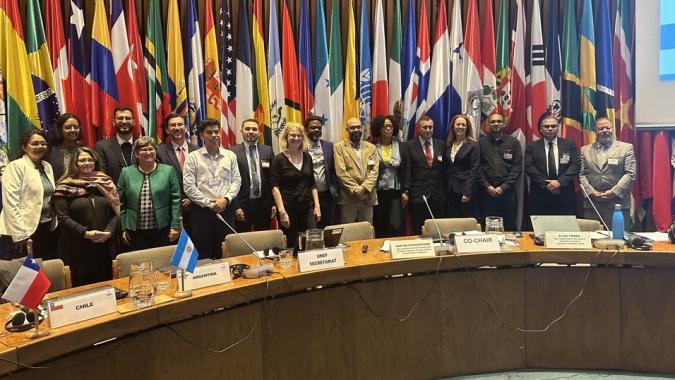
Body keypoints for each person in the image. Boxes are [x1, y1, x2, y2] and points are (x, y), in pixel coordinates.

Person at [53, 147, 120, 286]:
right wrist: (85, 233)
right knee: (82, 287)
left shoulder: (105, 183)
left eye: (90, 160)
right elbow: (63, 217)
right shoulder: (65, 186)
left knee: (108, 285)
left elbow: (116, 211)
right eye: (82, 160)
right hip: (77, 246)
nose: (87, 163)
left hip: (105, 244)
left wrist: (109, 231)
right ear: (75, 163)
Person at [184, 119, 242, 259]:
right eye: (209, 132)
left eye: (216, 132)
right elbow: (189, 186)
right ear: (201, 135)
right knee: (203, 252)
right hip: (202, 212)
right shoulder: (193, 157)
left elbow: (237, 180)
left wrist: (225, 199)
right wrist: (210, 204)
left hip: (225, 209)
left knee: (227, 250)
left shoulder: (230, 155)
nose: (214, 135)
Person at [0, 129, 58, 259]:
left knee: (44, 271)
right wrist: (20, 234)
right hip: (23, 231)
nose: (40, 147)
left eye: (43, 143)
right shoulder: (15, 166)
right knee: (26, 275)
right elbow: (10, 203)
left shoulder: (46, 166)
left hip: (45, 226)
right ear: (24, 147)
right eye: (35, 143)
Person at [117, 137, 181, 251]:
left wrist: (175, 226)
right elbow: (120, 203)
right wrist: (122, 228)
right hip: (135, 231)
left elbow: (176, 200)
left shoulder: (168, 171)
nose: (148, 152)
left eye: (151, 149)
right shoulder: (126, 172)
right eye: (144, 149)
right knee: (140, 265)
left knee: (162, 264)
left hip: (162, 228)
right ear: (136, 154)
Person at [270, 123, 320, 249]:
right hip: (288, 210)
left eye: (299, 135)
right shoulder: (278, 159)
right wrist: (282, 212)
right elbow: (274, 187)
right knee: (294, 246)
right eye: (292, 135)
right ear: (286, 137)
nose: (296, 138)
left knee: (312, 242)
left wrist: (317, 206)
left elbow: (312, 184)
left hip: (307, 209)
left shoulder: (307, 157)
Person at [579, 117, 636, 228]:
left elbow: (630, 174)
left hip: (618, 203)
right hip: (593, 204)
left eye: (608, 128)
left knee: (618, 239)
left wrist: (613, 192)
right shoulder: (584, 150)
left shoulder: (626, 148)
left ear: (612, 129)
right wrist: (591, 192)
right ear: (595, 131)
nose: (605, 130)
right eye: (601, 128)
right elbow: (582, 174)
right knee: (593, 239)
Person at [525, 113, 580, 216]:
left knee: (563, 228)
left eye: (553, 126)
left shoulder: (569, 144)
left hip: (564, 192)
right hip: (540, 193)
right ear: (540, 129)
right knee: (542, 228)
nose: (550, 128)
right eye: (546, 126)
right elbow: (529, 167)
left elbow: (575, 165)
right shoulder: (532, 146)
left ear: (558, 128)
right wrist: (547, 184)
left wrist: (559, 182)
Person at [478, 113, 522, 231]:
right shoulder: (480, 143)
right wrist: (487, 186)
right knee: (487, 227)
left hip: (507, 192)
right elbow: (477, 167)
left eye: (498, 121)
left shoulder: (513, 142)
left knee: (509, 225)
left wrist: (503, 187)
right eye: (492, 121)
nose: (496, 123)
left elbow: (517, 168)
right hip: (487, 192)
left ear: (504, 124)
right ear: (488, 124)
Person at [230, 119, 276, 232]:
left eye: (254, 129)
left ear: (259, 132)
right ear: (241, 131)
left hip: (264, 205)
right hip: (242, 205)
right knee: (243, 241)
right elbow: (229, 181)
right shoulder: (232, 152)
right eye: (247, 129)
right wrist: (235, 207)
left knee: (263, 240)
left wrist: (273, 203)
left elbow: (273, 178)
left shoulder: (267, 150)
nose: (251, 131)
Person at [156, 113, 198, 234]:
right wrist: (178, 199)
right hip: (172, 209)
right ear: (167, 129)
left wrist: (192, 198)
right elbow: (160, 180)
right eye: (172, 125)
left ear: (185, 127)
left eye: (180, 124)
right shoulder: (159, 152)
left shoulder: (198, 150)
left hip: (196, 208)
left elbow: (203, 178)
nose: (177, 128)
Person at [405, 116, 447, 234]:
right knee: (418, 227)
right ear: (418, 128)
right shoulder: (408, 146)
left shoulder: (441, 144)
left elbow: (445, 170)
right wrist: (406, 191)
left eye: (430, 127)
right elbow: (407, 170)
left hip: (438, 193)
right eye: (425, 127)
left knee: (438, 228)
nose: (428, 130)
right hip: (418, 194)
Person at [370, 115, 410, 237]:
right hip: (378, 191)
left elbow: (407, 169)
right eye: (385, 126)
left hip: (396, 191)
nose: (388, 129)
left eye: (391, 126)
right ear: (379, 128)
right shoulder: (371, 146)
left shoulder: (402, 146)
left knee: (396, 223)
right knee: (380, 222)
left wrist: (406, 191)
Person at [334, 118, 379, 223]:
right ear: (347, 130)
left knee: (366, 231)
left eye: (358, 127)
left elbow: (374, 171)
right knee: (348, 231)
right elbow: (341, 172)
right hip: (349, 198)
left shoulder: (371, 147)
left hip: (367, 197)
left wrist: (364, 188)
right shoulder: (339, 147)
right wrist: (355, 189)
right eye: (352, 127)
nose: (356, 130)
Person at [304, 115, 338, 228]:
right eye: (313, 128)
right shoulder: (300, 147)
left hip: (327, 195)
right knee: (312, 229)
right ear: (306, 129)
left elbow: (333, 170)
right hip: (308, 196)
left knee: (328, 227)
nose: (316, 130)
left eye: (319, 128)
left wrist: (335, 189)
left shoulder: (329, 146)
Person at [446, 114, 480, 218]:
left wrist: (467, 192)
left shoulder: (473, 145)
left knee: (465, 221)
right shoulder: (448, 143)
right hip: (450, 189)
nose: (460, 127)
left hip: (465, 190)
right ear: (453, 126)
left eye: (463, 125)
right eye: (458, 124)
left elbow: (474, 169)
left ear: (467, 127)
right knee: (453, 220)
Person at [94, 106, 136, 183]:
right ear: (113, 122)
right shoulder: (102, 147)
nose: (124, 121)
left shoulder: (143, 146)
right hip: (112, 193)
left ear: (134, 122)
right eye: (120, 118)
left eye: (128, 118)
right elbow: (100, 175)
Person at [45, 113, 82, 181]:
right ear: (60, 130)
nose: (73, 130)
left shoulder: (84, 151)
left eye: (76, 127)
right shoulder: (49, 152)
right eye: (68, 127)